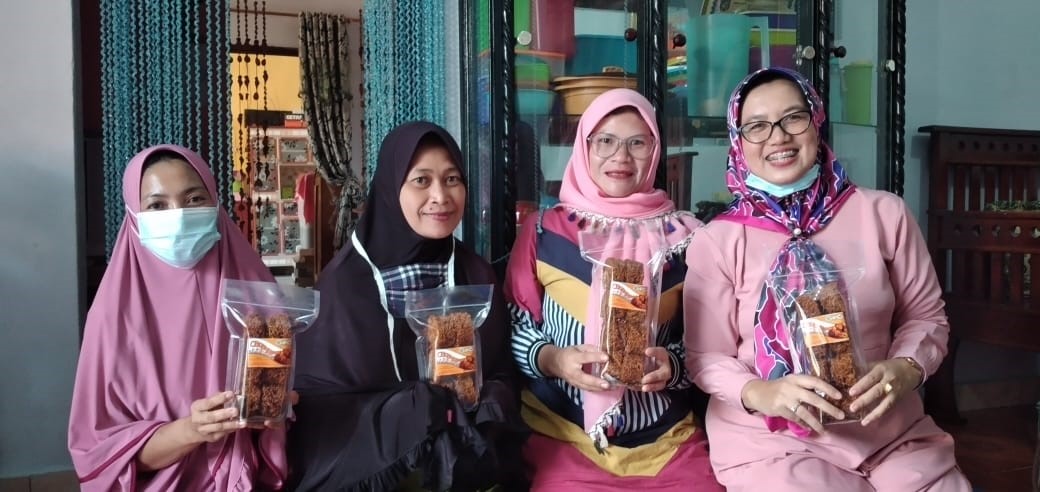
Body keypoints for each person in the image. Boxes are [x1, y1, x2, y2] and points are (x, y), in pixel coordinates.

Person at [683, 67, 971, 491]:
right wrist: (761, 393)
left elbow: (926, 316)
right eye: (757, 126)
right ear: (738, 141)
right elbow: (705, 356)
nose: (778, 137)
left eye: (793, 118)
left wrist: (907, 367)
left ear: (816, 123)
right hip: (773, 440)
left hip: (888, 430)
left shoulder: (884, 214)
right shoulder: (719, 240)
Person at [287, 121, 527, 491]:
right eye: (421, 181)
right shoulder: (344, 285)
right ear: (390, 187)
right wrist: (407, 414)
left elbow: (503, 371)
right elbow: (319, 410)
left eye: (452, 179)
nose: (440, 196)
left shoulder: (475, 273)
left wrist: (488, 400)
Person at [505, 88, 722, 490]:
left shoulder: (688, 238)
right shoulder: (544, 231)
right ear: (584, 147)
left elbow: (710, 342)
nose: (620, 156)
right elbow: (516, 325)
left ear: (654, 151)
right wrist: (554, 360)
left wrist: (672, 367)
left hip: (666, 440)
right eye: (605, 141)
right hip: (561, 433)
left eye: (637, 143)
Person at [68, 145, 287, 490]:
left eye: (194, 199)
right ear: (134, 215)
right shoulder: (112, 319)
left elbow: (274, 411)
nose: (180, 215)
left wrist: (273, 411)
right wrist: (191, 430)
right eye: (157, 205)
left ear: (216, 202)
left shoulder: (257, 293)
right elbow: (101, 456)